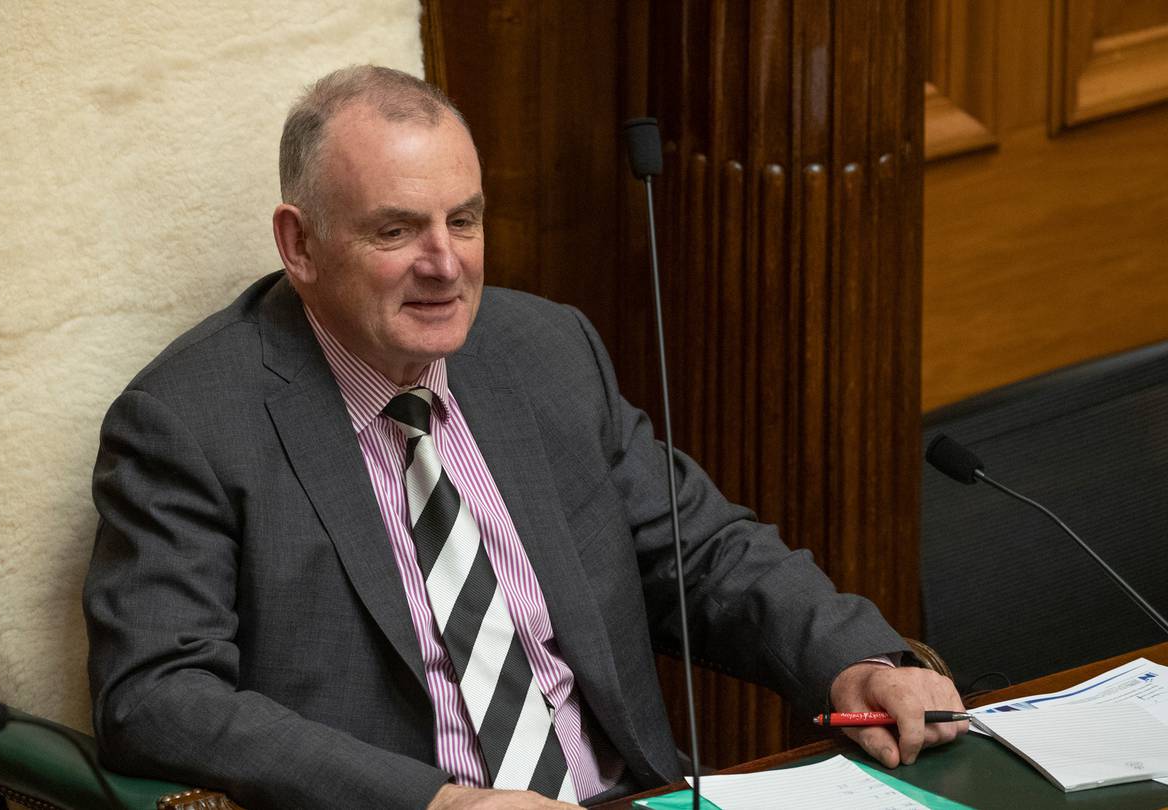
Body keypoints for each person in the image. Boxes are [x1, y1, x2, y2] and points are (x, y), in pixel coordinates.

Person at [83, 65, 965, 810]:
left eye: (463, 221)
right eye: (396, 230)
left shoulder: (541, 351)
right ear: (300, 244)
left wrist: (853, 659)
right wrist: (436, 803)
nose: (446, 263)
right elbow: (157, 696)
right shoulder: (190, 423)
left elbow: (701, 553)